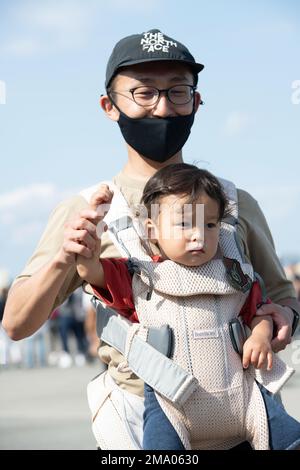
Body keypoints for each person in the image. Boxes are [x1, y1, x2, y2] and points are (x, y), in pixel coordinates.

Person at [2, 28, 299, 449]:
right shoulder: (86, 210)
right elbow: (16, 324)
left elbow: (284, 295)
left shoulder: (235, 203)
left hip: (241, 416)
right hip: (142, 421)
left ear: (197, 102)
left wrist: (282, 318)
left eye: (178, 92)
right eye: (143, 93)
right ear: (110, 106)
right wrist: (64, 258)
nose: (162, 108)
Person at [76, 164, 300, 450]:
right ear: (151, 230)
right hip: (171, 405)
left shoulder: (236, 274)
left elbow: (259, 311)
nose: (198, 235)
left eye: (210, 225)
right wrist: (89, 243)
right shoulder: (138, 277)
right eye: (184, 224)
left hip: (246, 400)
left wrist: (260, 334)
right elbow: (92, 272)